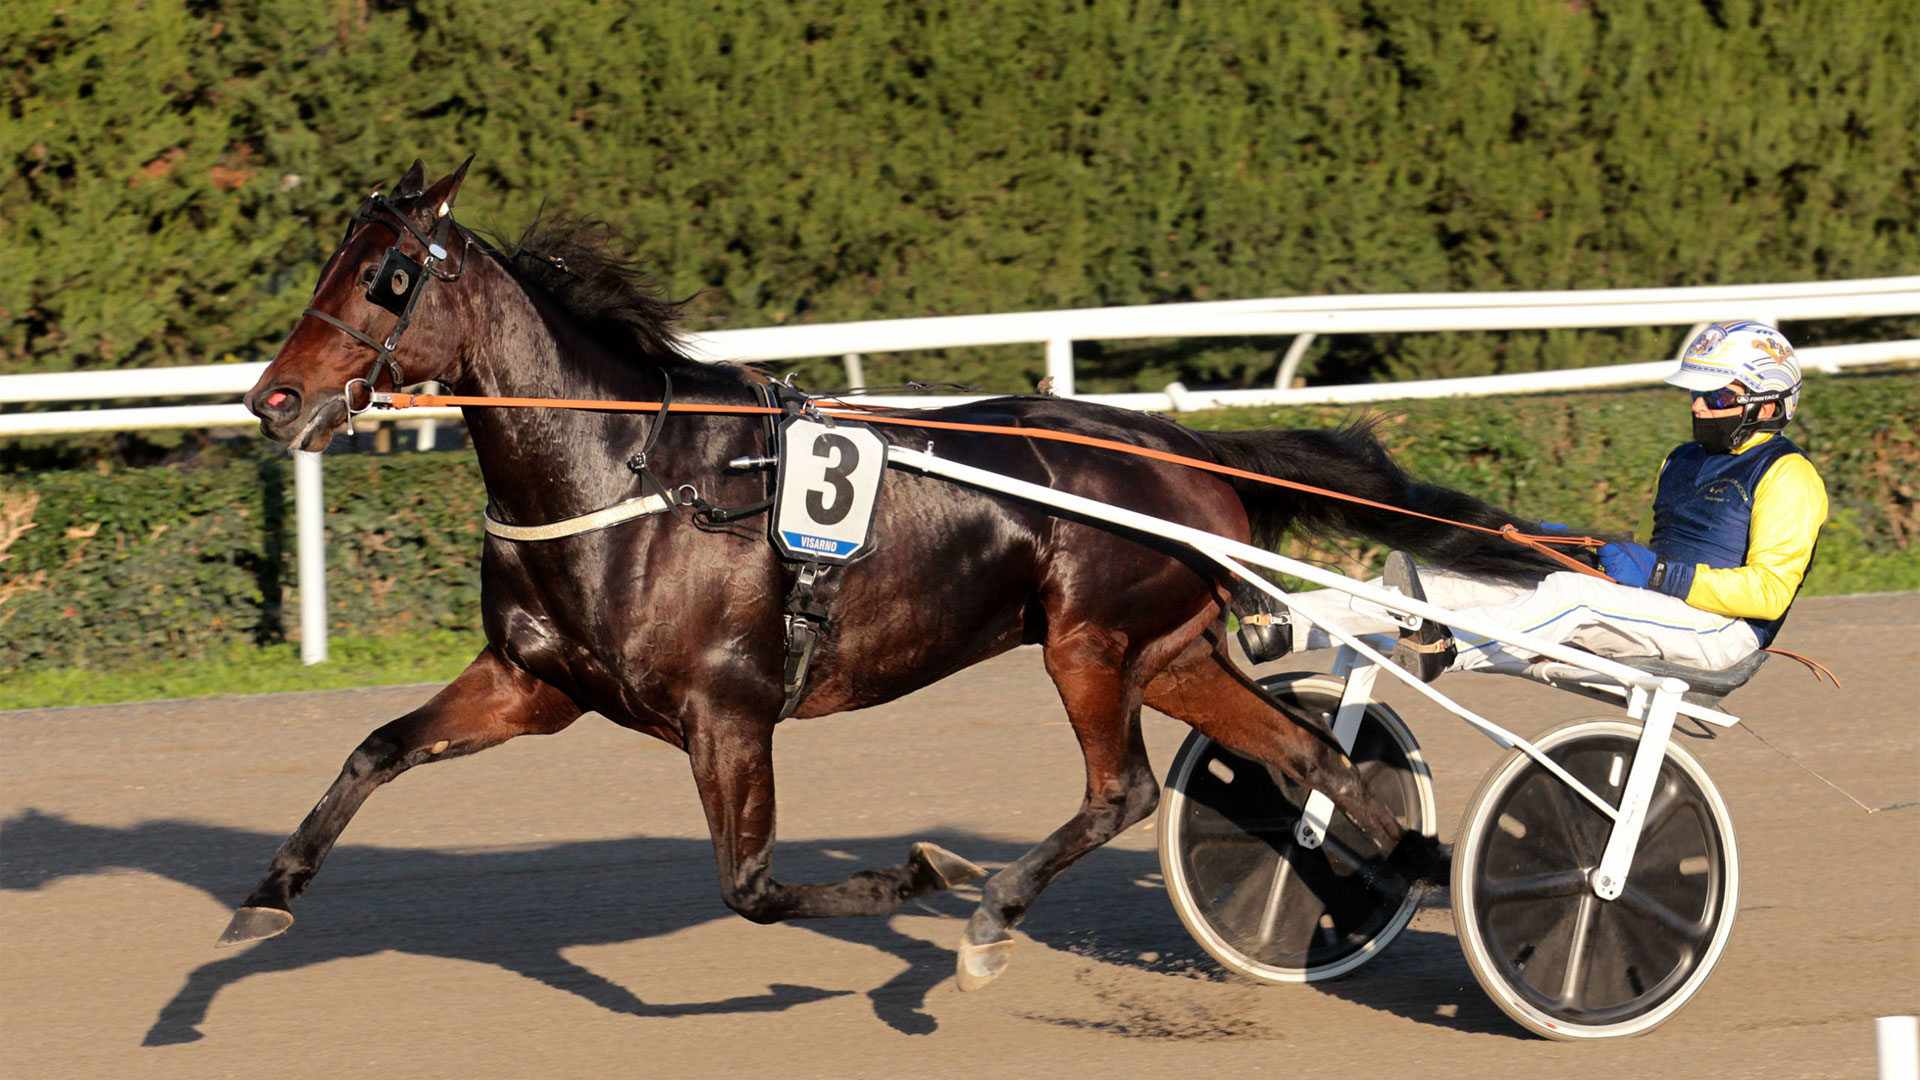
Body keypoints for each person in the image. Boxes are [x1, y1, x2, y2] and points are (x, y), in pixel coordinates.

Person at [1273, 320, 1829, 681]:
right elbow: (1651, 552)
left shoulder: (1790, 477)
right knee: (1453, 580)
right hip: (1665, 611)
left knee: (1570, 595)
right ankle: (1288, 621)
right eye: (1695, 392)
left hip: (1722, 632)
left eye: (1716, 394)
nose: (1700, 405)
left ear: (1766, 402)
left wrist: (1661, 576)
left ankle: (1445, 650)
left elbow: (1770, 594)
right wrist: (1590, 550)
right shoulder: (1681, 459)